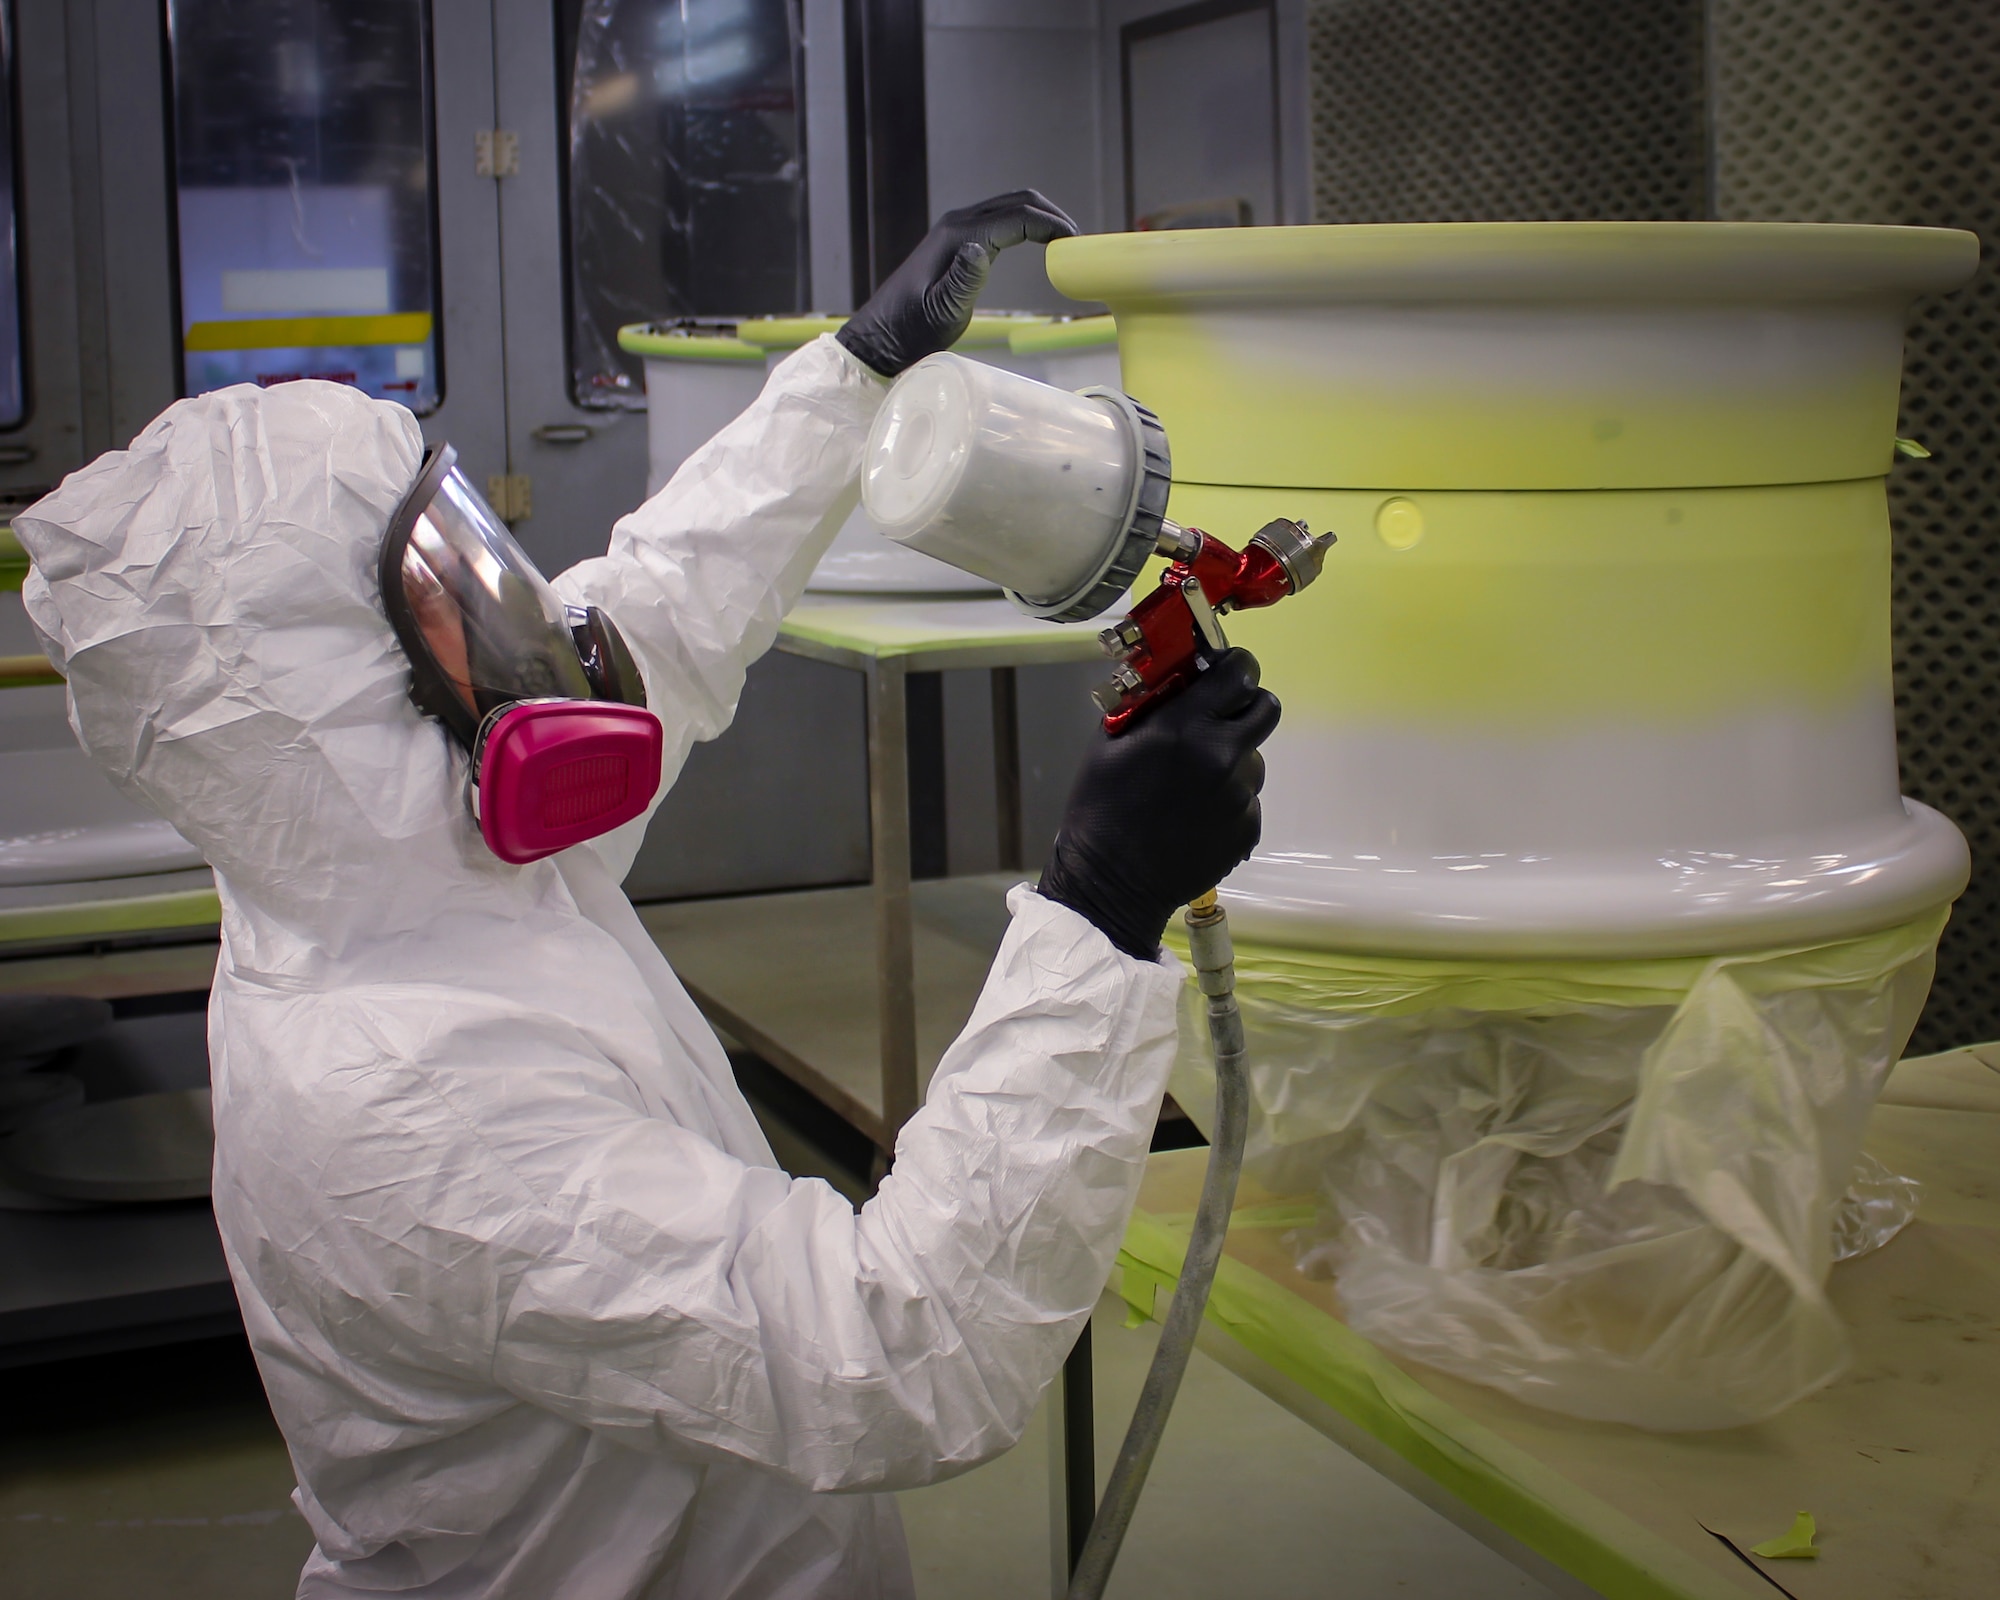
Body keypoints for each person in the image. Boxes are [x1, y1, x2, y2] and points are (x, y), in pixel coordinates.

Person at [15, 191, 1279, 1599]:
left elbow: (662, 610)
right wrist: (1097, 912)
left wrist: (853, 372)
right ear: (334, 697)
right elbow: (892, 1356)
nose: (523, 618)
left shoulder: (410, 862)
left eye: (470, 561)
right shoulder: (409, 1098)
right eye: (445, 592)